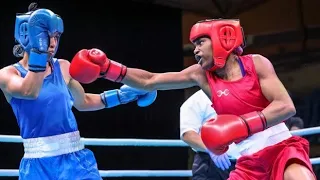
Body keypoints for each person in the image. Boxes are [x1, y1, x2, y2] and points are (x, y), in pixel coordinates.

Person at [69, 19, 317, 179]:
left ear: (223, 38)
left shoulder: (256, 64)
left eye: (200, 42)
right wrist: (109, 69)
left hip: (282, 147)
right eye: (193, 44)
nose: (195, 49)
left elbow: (286, 106)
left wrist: (241, 125)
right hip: (247, 160)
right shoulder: (202, 76)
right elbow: (150, 80)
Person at [0, 3, 157, 180]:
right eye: (45, 36)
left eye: (56, 36)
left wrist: (122, 96)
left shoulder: (63, 67)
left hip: (75, 161)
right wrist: (39, 52)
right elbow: (29, 92)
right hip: (37, 166)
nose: (52, 43)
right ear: (28, 35)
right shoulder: (8, 74)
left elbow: (83, 102)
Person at [180, 89, 240, 179]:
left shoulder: (244, 95)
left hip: (245, 163)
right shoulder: (197, 100)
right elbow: (188, 134)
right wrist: (212, 150)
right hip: (211, 163)